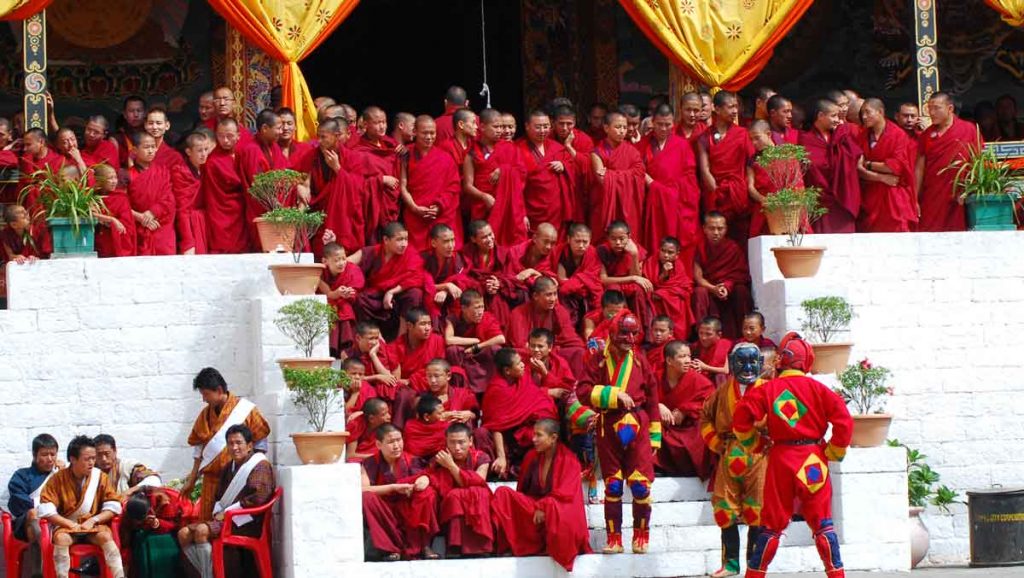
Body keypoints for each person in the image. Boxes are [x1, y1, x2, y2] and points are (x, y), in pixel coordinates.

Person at [735, 334, 853, 578]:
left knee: (772, 525)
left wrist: (756, 444)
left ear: (782, 361)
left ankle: (755, 575)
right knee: (823, 523)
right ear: (806, 361)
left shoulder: (767, 390)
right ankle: (836, 574)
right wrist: (833, 450)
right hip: (812, 460)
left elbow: (741, 419)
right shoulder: (819, 390)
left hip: (780, 460)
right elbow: (844, 421)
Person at [576, 312, 661, 554]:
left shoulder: (640, 361)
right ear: (613, 333)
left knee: (640, 486)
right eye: (625, 333)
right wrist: (612, 395)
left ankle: (641, 536)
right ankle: (614, 539)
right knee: (613, 485)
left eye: (634, 333)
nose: (630, 338)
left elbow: (653, 399)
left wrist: (655, 435)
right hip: (608, 427)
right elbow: (582, 390)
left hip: (638, 426)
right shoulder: (597, 360)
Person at [700, 343, 768, 578]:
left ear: (761, 363)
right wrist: (716, 444)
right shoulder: (721, 392)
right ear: (731, 362)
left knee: (757, 508)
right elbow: (705, 418)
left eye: (752, 362)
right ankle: (730, 564)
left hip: (759, 455)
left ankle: (754, 564)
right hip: (729, 453)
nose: (747, 367)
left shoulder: (769, 390)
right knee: (723, 506)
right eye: (741, 362)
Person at [490, 419, 591, 570]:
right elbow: (522, 491)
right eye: (533, 435)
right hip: (535, 510)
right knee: (502, 493)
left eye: (539, 435)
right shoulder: (531, 457)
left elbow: (566, 494)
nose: (533, 439)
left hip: (557, 510)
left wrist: (543, 506)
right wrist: (536, 506)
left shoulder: (569, 460)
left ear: (553, 438)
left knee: (553, 506)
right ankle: (513, 545)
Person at [178, 424, 276, 578]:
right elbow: (219, 495)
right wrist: (218, 510)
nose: (234, 447)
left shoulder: (259, 466)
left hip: (247, 521)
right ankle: (209, 573)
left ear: (249, 446)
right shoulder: (229, 467)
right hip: (227, 518)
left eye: (238, 443)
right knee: (183, 534)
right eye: (230, 443)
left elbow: (258, 498)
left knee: (201, 531)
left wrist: (226, 513)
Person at [182, 367, 270, 521]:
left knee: (232, 523)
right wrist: (192, 478)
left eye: (206, 394)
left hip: (236, 479)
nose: (204, 399)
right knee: (206, 523)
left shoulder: (247, 410)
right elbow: (199, 449)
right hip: (211, 481)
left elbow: (260, 442)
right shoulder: (205, 415)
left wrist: (250, 469)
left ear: (219, 390)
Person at [38, 435, 125, 578]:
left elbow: (113, 505)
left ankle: (119, 575)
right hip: (66, 526)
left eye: (93, 458)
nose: (92, 462)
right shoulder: (57, 479)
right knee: (61, 539)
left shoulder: (100, 477)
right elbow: (46, 509)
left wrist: (93, 520)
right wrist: (68, 524)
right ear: (73, 459)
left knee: (105, 536)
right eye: (87, 459)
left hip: (93, 526)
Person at [360, 424, 440, 560]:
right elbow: (363, 489)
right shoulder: (369, 463)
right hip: (386, 511)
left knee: (428, 493)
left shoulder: (413, 461)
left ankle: (424, 545)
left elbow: (426, 477)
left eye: (399, 440)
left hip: (409, 508)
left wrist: (424, 479)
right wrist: (393, 488)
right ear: (378, 444)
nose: (397, 445)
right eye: (391, 442)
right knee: (367, 497)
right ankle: (391, 548)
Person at [296, 118, 370, 254]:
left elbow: (359, 189)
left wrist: (338, 169)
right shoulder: (311, 156)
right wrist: (299, 187)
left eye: (323, 137)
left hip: (343, 221)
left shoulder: (353, 158)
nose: (319, 141)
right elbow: (294, 176)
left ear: (336, 136)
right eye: (318, 136)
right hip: (317, 219)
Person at [482, 348, 558, 478]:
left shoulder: (521, 378)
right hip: (508, 436)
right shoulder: (497, 390)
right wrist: (501, 457)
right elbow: (496, 425)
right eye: (518, 363)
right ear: (507, 371)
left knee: (544, 432)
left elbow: (536, 397)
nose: (523, 364)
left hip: (524, 428)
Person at [916, 92, 982, 232]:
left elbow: (977, 162)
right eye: (929, 108)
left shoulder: (968, 129)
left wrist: (968, 190)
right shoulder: (926, 135)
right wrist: (915, 199)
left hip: (959, 195)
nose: (932, 112)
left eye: (936, 108)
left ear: (950, 109)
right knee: (930, 234)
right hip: (933, 196)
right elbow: (919, 169)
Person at [350, 221, 428, 339]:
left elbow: (417, 277)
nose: (404, 244)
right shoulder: (372, 252)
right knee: (359, 299)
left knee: (415, 293)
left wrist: (391, 292)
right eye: (399, 239)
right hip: (376, 295)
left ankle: (402, 338)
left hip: (398, 295)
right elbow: (345, 263)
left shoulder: (410, 254)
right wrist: (330, 244)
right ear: (386, 240)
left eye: (406, 239)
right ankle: (376, 338)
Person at [641, 104, 702, 253]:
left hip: (677, 205)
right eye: (659, 124)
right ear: (652, 123)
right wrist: (652, 186)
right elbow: (636, 172)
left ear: (673, 123)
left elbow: (690, 178)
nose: (663, 128)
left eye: (667, 125)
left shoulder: (682, 146)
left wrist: (663, 190)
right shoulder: (641, 146)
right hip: (651, 204)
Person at [427, 422, 494, 558]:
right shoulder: (439, 460)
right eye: (452, 443)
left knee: (478, 492)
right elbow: (436, 484)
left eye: (461, 442)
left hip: (477, 505)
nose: (457, 448)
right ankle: (455, 546)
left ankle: (481, 546)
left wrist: (451, 466)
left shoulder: (481, 458)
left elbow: (478, 482)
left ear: (470, 441)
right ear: (446, 442)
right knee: (454, 495)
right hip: (450, 509)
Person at [463, 108, 528, 245]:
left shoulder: (510, 149)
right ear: (482, 126)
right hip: (483, 207)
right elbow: (468, 185)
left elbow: (522, 175)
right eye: (496, 126)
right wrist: (483, 196)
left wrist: (504, 170)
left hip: (509, 209)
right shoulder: (472, 153)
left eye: (502, 127)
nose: (500, 130)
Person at [698, 91, 754, 245]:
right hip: (716, 194)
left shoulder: (742, 133)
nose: (735, 111)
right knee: (717, 235)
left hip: (738, 193)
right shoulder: (704, 137)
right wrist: (715, 189)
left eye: (736, 106)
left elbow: (751, 162)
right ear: (717, 109)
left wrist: (749, 187)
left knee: (740, 237)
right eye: (730, 107)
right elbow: (704, 169)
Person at [800, 98, 862, 234]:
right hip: (820, 200)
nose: (837, 120)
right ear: (820, 116)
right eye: (833, 116)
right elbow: (810, 169)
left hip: (842, 198)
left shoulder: (841, 137)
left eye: (838, 116)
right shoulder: (806, 140)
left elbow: (855, 157)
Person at [400, 116, 462, 251]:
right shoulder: (405, 154)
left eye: (432, 133)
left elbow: (454, 186)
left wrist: (439, 206)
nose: (429, 137)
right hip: (415, 215)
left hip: (440, 214)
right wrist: (414, 208)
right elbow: (402, 185)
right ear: (415, 132)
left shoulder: (445, 158)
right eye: (425, 133)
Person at [857, 98, 918, 233]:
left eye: (867, 112)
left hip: (894, 196)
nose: (864, 117)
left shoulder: (898, 135)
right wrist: (882, 177)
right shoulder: (862, 136)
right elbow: (858, 170)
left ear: (880, 112)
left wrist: (869, 164)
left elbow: (895, 167)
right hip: (871, 195)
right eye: (862, 113)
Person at [656, 340, 714, 478]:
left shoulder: (698, 380)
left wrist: (685, 410)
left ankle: (695, 469)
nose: (688, 360)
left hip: (688, 426)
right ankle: (658, 467)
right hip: (663, 425)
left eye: (689, 356)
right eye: (682, 357)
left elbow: (710, 401)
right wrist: (658, 406)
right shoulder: (656, 378)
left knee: (703, 428)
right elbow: (643, 397)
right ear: (669, 360)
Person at [6, 433, 60, 578]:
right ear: (35, 455)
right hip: (27, 524)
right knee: (33, 514)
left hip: (57, 520)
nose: (50, 459)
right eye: (44, 454)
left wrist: (63, 474)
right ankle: (38, 570)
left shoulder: (61, 474)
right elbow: (20, 502)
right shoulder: (21, 475)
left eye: (53, 454)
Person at [506, 276, 586, 374]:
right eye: (548, 295)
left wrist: (550, 350)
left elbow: (570, 338)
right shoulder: (518, 313)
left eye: (555, 294)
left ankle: (575, 386)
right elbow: (520, 344)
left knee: (578, 352)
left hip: (551, 351)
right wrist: (541, 350)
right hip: (531, 352)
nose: (553, 299)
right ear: (535, 296)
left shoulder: (559, 310)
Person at [693, 212, 753, 340]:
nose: (716, 232)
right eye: (711, 228)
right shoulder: (699, 247)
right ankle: (703, 335)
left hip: (728, 289)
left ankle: (744, 334)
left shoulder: (732, 248)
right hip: (709, 288)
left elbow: (738, 274)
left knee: (741, 290)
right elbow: (698, 277)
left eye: (720, 229)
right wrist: (713, 288)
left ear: (726, 229)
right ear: (704, 229)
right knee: (699, 292)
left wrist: (726, 286)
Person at [517, 110, 577, 233]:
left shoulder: (558, 148)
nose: (543, 130)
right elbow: (515, 186)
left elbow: (576, 169)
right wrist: (521, 213)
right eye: (538, 127)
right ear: (527, 126)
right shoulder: (518, 149)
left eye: (546, 126)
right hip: (531, 206)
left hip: (556, 209)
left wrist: (564, 165)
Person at [591, 112, 646, 245]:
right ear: (606, 128)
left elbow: (639, 173)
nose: (622, 131)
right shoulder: (597, 152)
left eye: (624, 127)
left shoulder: (632, 152)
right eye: (618, 127)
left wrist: (611, 174)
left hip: (629, 206)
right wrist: (626, 173)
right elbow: (602, 181)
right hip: (605, 204)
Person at [238, 109, 288, 246]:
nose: (281, 131)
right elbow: (258, 183)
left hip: (278, 206)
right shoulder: (251, 150)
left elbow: (285, 172)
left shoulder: (274, 147)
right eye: (278, 128)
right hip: (261, 210)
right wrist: (274, 204)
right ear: (265, 128)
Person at [445, 290, 506, 393]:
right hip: (464, 356)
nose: (480, 311)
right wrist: (474, 340)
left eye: (482, 307)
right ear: (464, 308)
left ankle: (493, 387)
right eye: (477, 308)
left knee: (496, 349)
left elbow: (501, 339)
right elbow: (448, 339)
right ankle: (461, 388)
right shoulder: (453, 318)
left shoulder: (486, 317)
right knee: (452, 350)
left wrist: (477, 346)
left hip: (480, 354)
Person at [203, 119, 250, 254]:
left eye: (229, 136)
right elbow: (212, 197)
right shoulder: (212, 161)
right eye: (221, 136)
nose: (225, 140)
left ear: (238, 135)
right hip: (223, 213)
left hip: (244, 212)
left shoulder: (245, 154)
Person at [462, 220, 522, 324]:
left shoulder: (503, 253)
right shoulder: (465, 254)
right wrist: (483, 286)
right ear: (473, 239)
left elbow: (513, 276)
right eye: (484, 237)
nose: (490, 239)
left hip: (498, 292)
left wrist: (499, 283)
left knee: (498, 301)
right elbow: (463, 278)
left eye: (490, 234)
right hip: (476, 293)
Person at [597, 221, 652, 331]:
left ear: (629, 237)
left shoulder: (636, 250)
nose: (618, 243)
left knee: (639, 290)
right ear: (608, 238)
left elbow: (637, 276)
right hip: (612, 284)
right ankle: (619, 327)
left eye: (621, 239)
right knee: (614, 289)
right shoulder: (602, 251)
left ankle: (638, 330)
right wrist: (633, 278)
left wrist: (634, 255)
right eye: (613, 239)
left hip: (629, 283)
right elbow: (603, 279)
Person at [127, 132, 176, 256]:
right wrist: (140, 217)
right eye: (146, 147)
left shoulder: (163, 172)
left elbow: (169, 199)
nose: (151, 151)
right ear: (135, 150)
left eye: (153, 147)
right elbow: (121, 204)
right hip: (138, 229)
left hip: (161, 228)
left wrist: (152, 212)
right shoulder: (126, 175)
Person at [318, 241, 364, 355]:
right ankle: (332, 348)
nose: (341, 263)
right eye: (337, 260)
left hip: (346, 302)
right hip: (329, 301)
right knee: (333, 307)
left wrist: (349, 293)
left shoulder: (352, 269)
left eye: (343, 258)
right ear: (325, 261)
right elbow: (328, 293)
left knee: (345, 306)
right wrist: (338, 293)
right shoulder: (319, 273)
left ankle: (346, 347)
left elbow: (356, 288)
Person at [555, 222, 603, 328]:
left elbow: (593, 278)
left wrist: (572, 283)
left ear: (590, 241)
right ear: (568, 239)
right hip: (566, 294)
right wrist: (578, 282)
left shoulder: (592, 253)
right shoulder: (560, 253)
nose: (581, 246)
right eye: (577, 241)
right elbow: (561, 280)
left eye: (585, 242)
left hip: (586, 292)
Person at [643, 236, 693, 337]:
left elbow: (684, 286)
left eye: (670, 252)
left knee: (679, 301)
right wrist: (664, 274)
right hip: (655, 297)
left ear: (677, 255)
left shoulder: (679, 265)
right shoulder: (651, 262)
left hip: (668, 296)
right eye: (663, 251)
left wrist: (663, 293)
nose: (666, 255)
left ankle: (678, 335)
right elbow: (650, 283)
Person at [421, 223, 472, 323]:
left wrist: (445, 291)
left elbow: (463, 280)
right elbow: (419, 284)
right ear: (434, 243)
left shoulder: (457, 258)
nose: (451, 245)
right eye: (446, 241)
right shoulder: (424, 259)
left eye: (452, 240)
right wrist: (446, 285)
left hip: (449, 297)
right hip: (428, 298)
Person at [391, 308, 447, 393]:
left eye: (429, 324)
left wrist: (412, 380)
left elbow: (439, 367)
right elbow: (396, 379)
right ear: (409, 326)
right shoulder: (396, 346)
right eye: (423, 324)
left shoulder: (437, 340)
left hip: (430, 381)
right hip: (406, 388)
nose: (428, 328)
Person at [173, 132, 211, 254]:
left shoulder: (208, 169)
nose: (204, 154)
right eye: (199, 150)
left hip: (207, 222)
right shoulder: (180, 172)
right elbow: (182, 208)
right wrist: (188, 241)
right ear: (188, 152)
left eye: (206, 149)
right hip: (190, 223)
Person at [92, 165, 137, 258]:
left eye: (115, 177)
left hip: (119, 242)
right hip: (100, 241)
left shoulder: (121, 198)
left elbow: (128, 225)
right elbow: (90, 214)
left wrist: (108, 221)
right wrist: (112, 219)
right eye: (110, 178)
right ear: (100, 180)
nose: (114, 181)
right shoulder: (93, 198)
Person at [93, 434, 160, 496]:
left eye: (107, 453)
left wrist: (131, 491)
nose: (103, 459)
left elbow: (153, 479)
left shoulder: (127, 467)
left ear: (115, 451)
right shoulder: (90, 471)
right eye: (99, 455)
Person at [402, 394, 449, 461]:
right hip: (414, 464)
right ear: (426, 417)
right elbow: (412, 451)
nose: (443, 416)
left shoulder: (445, 426)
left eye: (443, 412)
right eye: (439, 414)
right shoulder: (410, 426)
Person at [346, 397, 393, 461]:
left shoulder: (383, 426)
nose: (389, 417)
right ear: (371, 419)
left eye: (388, 412)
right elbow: (350, 455)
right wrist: (375, 457)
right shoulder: (356, 424)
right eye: (384, 414)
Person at [115, 95, 146, 167]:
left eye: (139, 111)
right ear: (125, 114)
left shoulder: (152, 134)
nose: (136, 115)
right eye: (131, 111)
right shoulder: (118, 138)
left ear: (145, 113)